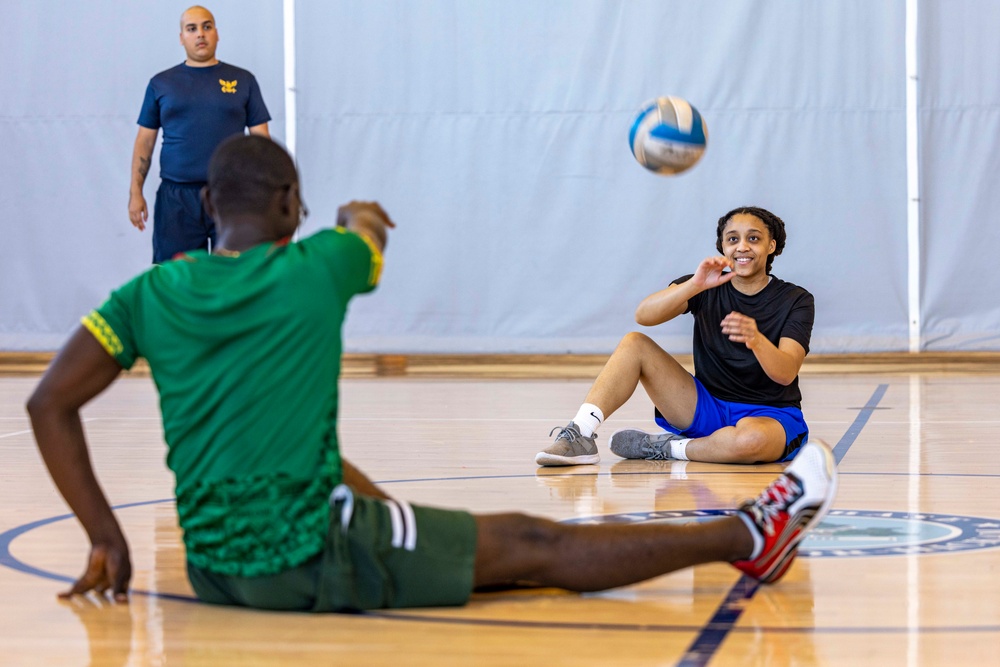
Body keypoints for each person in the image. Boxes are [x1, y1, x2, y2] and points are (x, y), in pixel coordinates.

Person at [28, 138, 836, 611]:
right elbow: (368, 228)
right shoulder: (325, 262)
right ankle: (748, 536)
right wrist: (353, 216)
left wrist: (105, 535)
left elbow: (48, 403)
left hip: (212, 566)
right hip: (308, 555)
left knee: (381, 495)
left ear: (205, 202)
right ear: (288, 203)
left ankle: (432, 537)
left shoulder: (147, 294)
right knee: (534, 540)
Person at [537, 206, 814, 467]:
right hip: (704, 406)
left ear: (771, 246)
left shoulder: (796, 299)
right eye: (732, 239)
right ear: (723, 247)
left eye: (753, 238)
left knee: (750, 441)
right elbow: (644, 315)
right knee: (635, 343)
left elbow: (786, 373)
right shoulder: (704, 284)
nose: (742, 246)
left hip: (769, 415)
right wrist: (694, 284)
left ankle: (666, 448)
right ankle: (580, 434)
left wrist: (756, 339)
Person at [128, 5, 271, 264]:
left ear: (217, 33)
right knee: (177, 282)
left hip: (231, 196)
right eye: (191, 29)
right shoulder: (161, 83)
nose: (200, 34)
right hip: (177, 200)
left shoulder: (243, 80)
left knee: (234, 276)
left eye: (207, 26)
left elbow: (261, 143)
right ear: (181, 37)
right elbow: (145, 141)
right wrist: (135, 193)